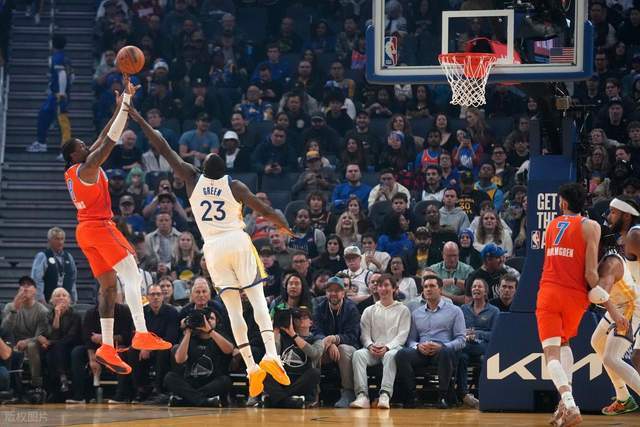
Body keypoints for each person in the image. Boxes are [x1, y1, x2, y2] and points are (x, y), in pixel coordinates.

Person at [129, 105, 294, 398]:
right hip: (236, 240)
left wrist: (137, 117)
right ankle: (271, 355)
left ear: (203, 168)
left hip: (213, 248)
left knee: (233, 309)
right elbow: (265, 209)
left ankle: (251, 368)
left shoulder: (192, 179)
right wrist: (285, 227)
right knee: (257, 299)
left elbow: (163, 146)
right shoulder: (235, 185)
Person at [61, 77, 171, 375]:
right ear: (74, 155)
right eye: (82, 146)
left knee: (109, 287)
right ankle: (141, 331)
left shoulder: (75, 171)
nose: (87, 145)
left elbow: (102, 136)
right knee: (133, 275)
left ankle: (107, 346)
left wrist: (121, 105)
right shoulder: (87, 168)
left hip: (85, 231)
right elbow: (109, 141)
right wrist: (126, 107)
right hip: (99, 227)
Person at [536, 183, 601, 426]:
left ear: (563, 203)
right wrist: (604, 296)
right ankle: (563, 407)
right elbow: (591, 274)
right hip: (576, 296)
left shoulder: (551, 225)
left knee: (551, 353)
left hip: (550, 291)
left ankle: (570, 404)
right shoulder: (591, 226)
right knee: (564, 343)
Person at [590, 197, 640, 415]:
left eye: (612, 212)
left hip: (632, 304)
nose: (608, 216)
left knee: (613, 357)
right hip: (622, 301)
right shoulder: (624, 238)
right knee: (597, 342)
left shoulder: (635, 235)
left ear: (626, 215)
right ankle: (623, 398)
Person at [395, 274, 465, 409]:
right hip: (422, 352)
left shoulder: (455, 311)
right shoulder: (416, 313)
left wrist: (442, 346)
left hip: (442, 352)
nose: (428, 289)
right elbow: (410, 340)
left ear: (440, 289)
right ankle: (412, 396)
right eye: (426, 286)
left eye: (432, 286)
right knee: (402, 354)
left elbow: (461, 339)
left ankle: (443, 397)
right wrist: (418, 346)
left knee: (446, 352)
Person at [350, 274, 411, 409]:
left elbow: (402, 335)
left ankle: (385, 395)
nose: (383, 289)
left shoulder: (403, 310)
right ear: (377, 289)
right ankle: (362, 395)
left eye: (387, 285)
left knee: (390, 356)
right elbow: (364, 335)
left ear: (394, 288)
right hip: (373, 349)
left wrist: (387, 347)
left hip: (393, 349)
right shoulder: (369, 310)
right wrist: (370, 345)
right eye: (380, 286)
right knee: (358, 355)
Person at [164, 306, 234, 407]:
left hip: (212, 381)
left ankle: (186, 400)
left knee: (225, 381)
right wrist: (188, 333)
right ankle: (205, 401)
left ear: (217, 321)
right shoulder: (191, 337)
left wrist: (210, 331)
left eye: (211, 319)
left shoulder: (220, 334)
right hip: (191, 381)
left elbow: (228, 350)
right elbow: (179, 360)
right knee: (169, 377)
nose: (208, 322)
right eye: (206, 319)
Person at [313, 276, 361, 407]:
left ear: (343, 293)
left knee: (343, 349)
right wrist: (329, 344)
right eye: (330, 290)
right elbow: (315, 331)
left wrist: (335, 339)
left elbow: (353, 336)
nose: (333, 293)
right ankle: (314, 392)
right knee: (314, 349)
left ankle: (348, 392)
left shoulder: (351, 308)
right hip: (327, 347)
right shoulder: (319, 308)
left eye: (337, 290)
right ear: (326, 292)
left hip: (349, 348)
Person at [265, 307, 323, 408]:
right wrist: (275, 330)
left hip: (302, 380)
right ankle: (289, 401)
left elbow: (314, 354)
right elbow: (272, 354)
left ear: (311, 322)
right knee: (264, 372)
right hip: (284, 378)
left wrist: (293, 335)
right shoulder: (283, 337)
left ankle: (279, 399)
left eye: (304, 317)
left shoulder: (316, 339)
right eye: (297, 318)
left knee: (315, 373)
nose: (299, 319)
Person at [1, 276, 49, 397]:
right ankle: (10, 386)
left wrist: (27, 341)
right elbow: (5, 330)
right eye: (22, 285)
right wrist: (15, 309)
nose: (25, 288)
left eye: (29, 285)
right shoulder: (9, 307)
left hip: (34, 344)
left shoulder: (42, 310)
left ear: (35, 291)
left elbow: (41, 335)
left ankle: (36, 384)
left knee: (32, 345)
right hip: (12, 343)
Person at [457, 278, 499, 409]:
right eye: (474, 286)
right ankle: (464, 394)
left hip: (484, 347)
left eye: (479, 286)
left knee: (471, 354)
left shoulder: (494, 311)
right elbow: (458, 330)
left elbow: (495, 335)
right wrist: (465, 335)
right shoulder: (463, 309)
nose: (476, 288)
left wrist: (477, 334)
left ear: (485, 291)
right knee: (462, 357)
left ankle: (481, 394)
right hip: (466, 345)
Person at [27, 34, 72, 153]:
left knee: (62, 122)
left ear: (52, 44)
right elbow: (72, 76)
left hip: (58, 95)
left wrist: (61, 92)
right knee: (44, 115)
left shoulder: (57, 58)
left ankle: (67, 151)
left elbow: (62, 74)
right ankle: (41, 143)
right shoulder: (65, 58)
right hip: (55, 94)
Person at [39, 288, 81, 401]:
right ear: (52, 301)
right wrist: (57, 315)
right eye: (57, 296)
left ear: (69, 300)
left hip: (70, 346)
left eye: (64, 295)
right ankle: (58, 383)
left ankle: (59, 384)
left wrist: (51, 342)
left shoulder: (75, 315)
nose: (61, 298)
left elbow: (71, 336)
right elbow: (50, 334)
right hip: (54, 348)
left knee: (54, 350)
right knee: (48, 354)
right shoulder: (48, 315)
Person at [31, 226, 78, 304]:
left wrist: (74, 299)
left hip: (65, 302)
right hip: (47, 301)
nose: (60, 242)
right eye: (57, 239)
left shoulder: (69, 257)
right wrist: (40, 299)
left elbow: (72, 279)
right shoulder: (43, 256)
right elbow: (37, 280)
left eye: (62, 239)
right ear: (49, 240)